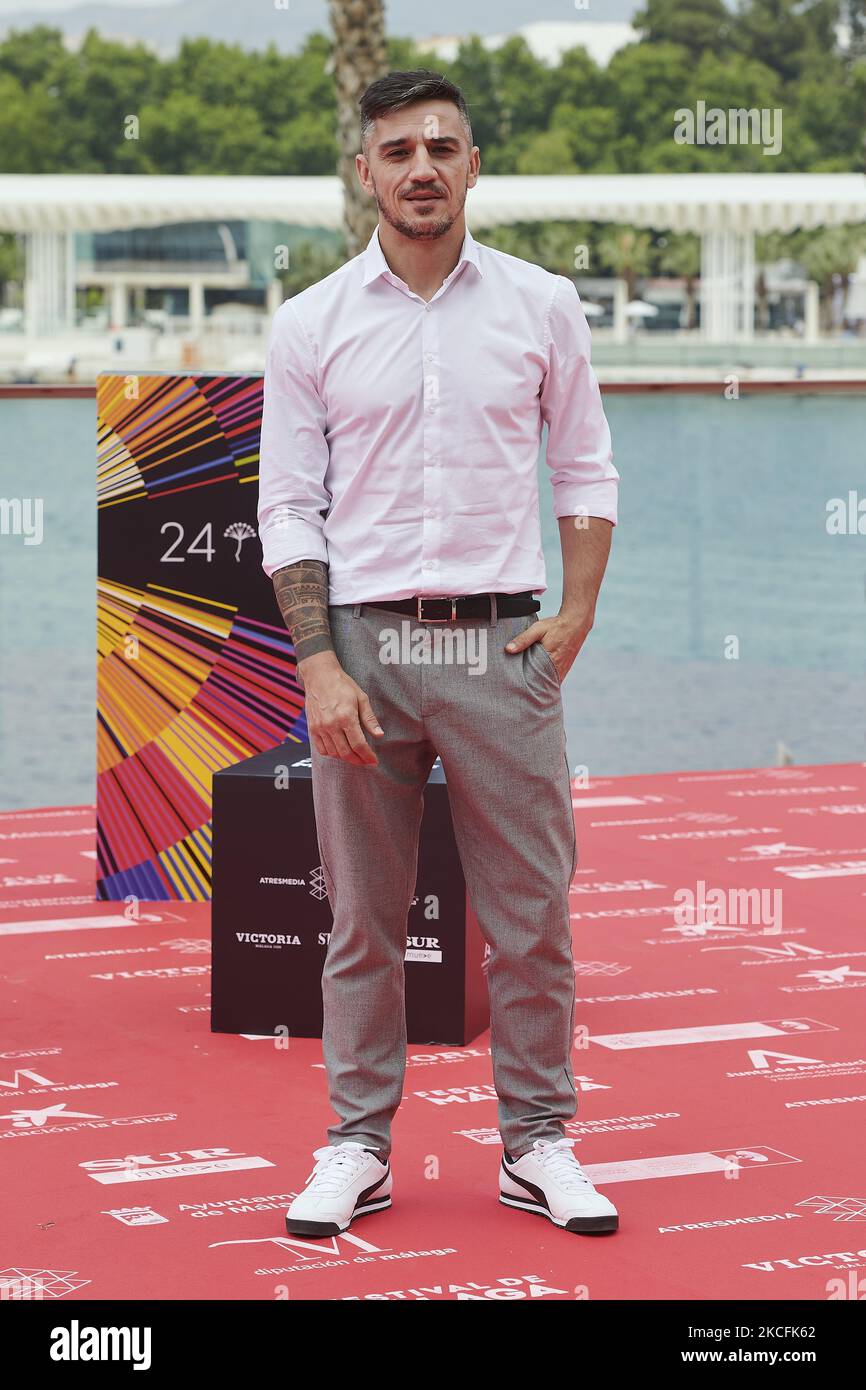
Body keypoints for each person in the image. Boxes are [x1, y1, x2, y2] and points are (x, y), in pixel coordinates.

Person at [257, 69, 620, 1239]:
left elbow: (584, 466)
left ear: (471, 166)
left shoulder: (540, 304)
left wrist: (575, 614)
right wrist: (317, 665)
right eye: (397, 149)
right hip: (359, 647)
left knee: (531, 916)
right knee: (361, 920)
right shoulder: (308, 322)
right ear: (363, 170)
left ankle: (536, 1143)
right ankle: (355, 1144)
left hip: (501, 643)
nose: (421, 167)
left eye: (442, 147)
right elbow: (288, 507)